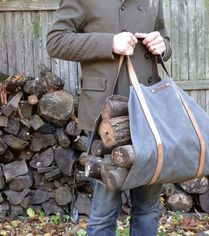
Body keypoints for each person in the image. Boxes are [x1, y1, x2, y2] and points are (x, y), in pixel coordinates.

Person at [47, 1, 172, 235]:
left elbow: (164, 38)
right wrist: (109, 42)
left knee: (148, 208)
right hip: (105, 118)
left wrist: (162, 45)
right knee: (104, 212)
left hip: (149, 113)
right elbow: (56, 41)